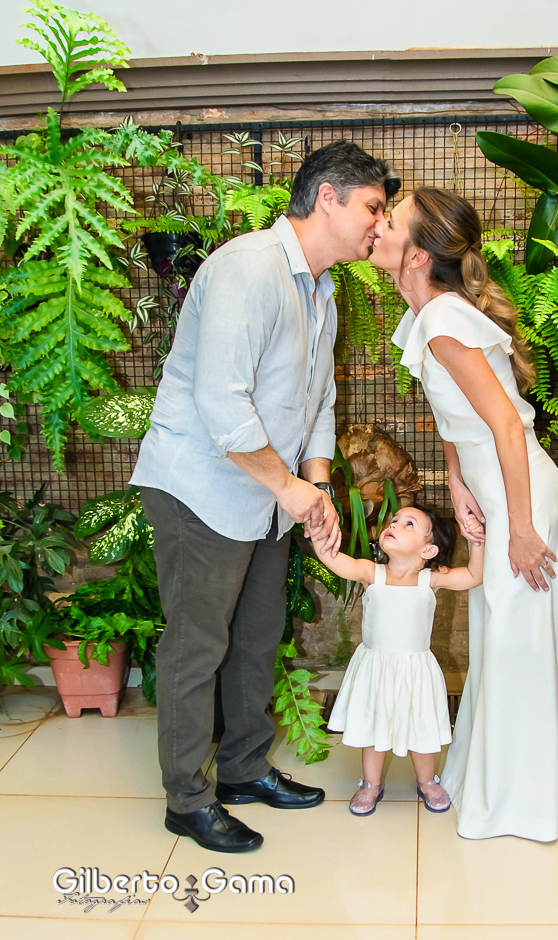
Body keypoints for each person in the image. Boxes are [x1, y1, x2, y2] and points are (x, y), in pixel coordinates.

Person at [130, 140, 401, 853]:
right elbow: (223, 404)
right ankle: (186, 799)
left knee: (256, 635)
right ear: (327, 199)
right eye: (373, 207)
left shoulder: (321, 290)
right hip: (202, 488)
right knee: (198, 644)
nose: (380, 224)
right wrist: (292, 489)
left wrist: (316, 487)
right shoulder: (248, 268)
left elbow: (319, 401)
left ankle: (244, 769)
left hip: (269, 492)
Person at [369, 187, 558, 842]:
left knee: (517, 651)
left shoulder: (443, 319)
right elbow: (457, 418)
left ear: (417, 253)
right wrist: (458, 482)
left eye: (390, 220)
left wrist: (521, 528)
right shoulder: (430, 315)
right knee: (501, 646)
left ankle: (519, 804)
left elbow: (509, 428)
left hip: (521, 499)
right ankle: (497, 786)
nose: (377, 226)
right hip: (498, 495)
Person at [312, 504, 485, 816]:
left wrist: (477, 540)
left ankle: (427, 780)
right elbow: (333, 559)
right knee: (374, 728)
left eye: (409, 524)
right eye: (394, 520)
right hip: (375, 669)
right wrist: (317, 530)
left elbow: (474, 575)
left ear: (428, 550)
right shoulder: (371, 573)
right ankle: (370, 784)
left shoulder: (431, 580)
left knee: (421, 727)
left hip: (415, 670)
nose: (393, 524)